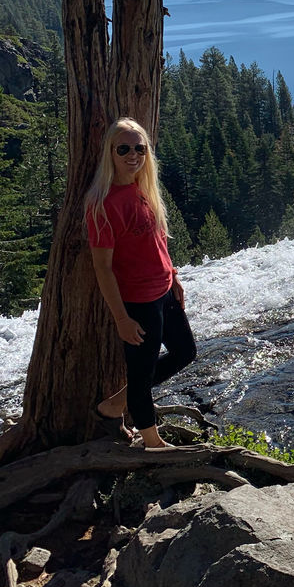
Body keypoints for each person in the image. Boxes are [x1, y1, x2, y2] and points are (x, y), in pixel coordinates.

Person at [85, 117, 195, 448]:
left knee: (185, 352)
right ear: (110, 153)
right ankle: (152, 442)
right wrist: (121, 318)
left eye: (139, 148)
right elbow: (103, 268)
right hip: (138, 301)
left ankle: (114, 405)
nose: (133, 155)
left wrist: (173, 275)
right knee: (141, 375)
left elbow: (157, 241)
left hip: (164, 290)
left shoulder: (142, 188)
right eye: (124, 149)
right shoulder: (102, 204)